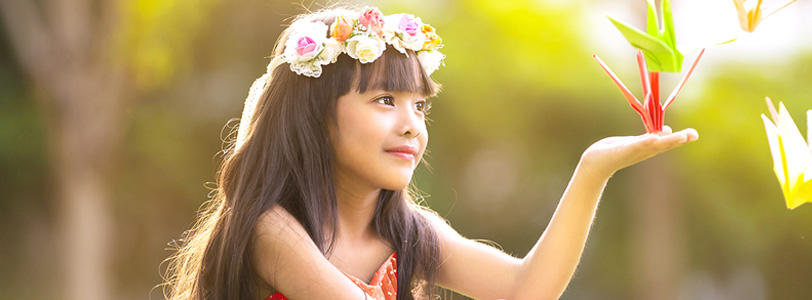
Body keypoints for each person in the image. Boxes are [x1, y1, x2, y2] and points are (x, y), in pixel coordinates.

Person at [160, 5, 699, 300]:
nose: (410, 124)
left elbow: (522, 290)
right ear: (316, 116)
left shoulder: (408, 232)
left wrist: (592, 169)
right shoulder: (270, 229)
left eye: (421, 107)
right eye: (386, 100)